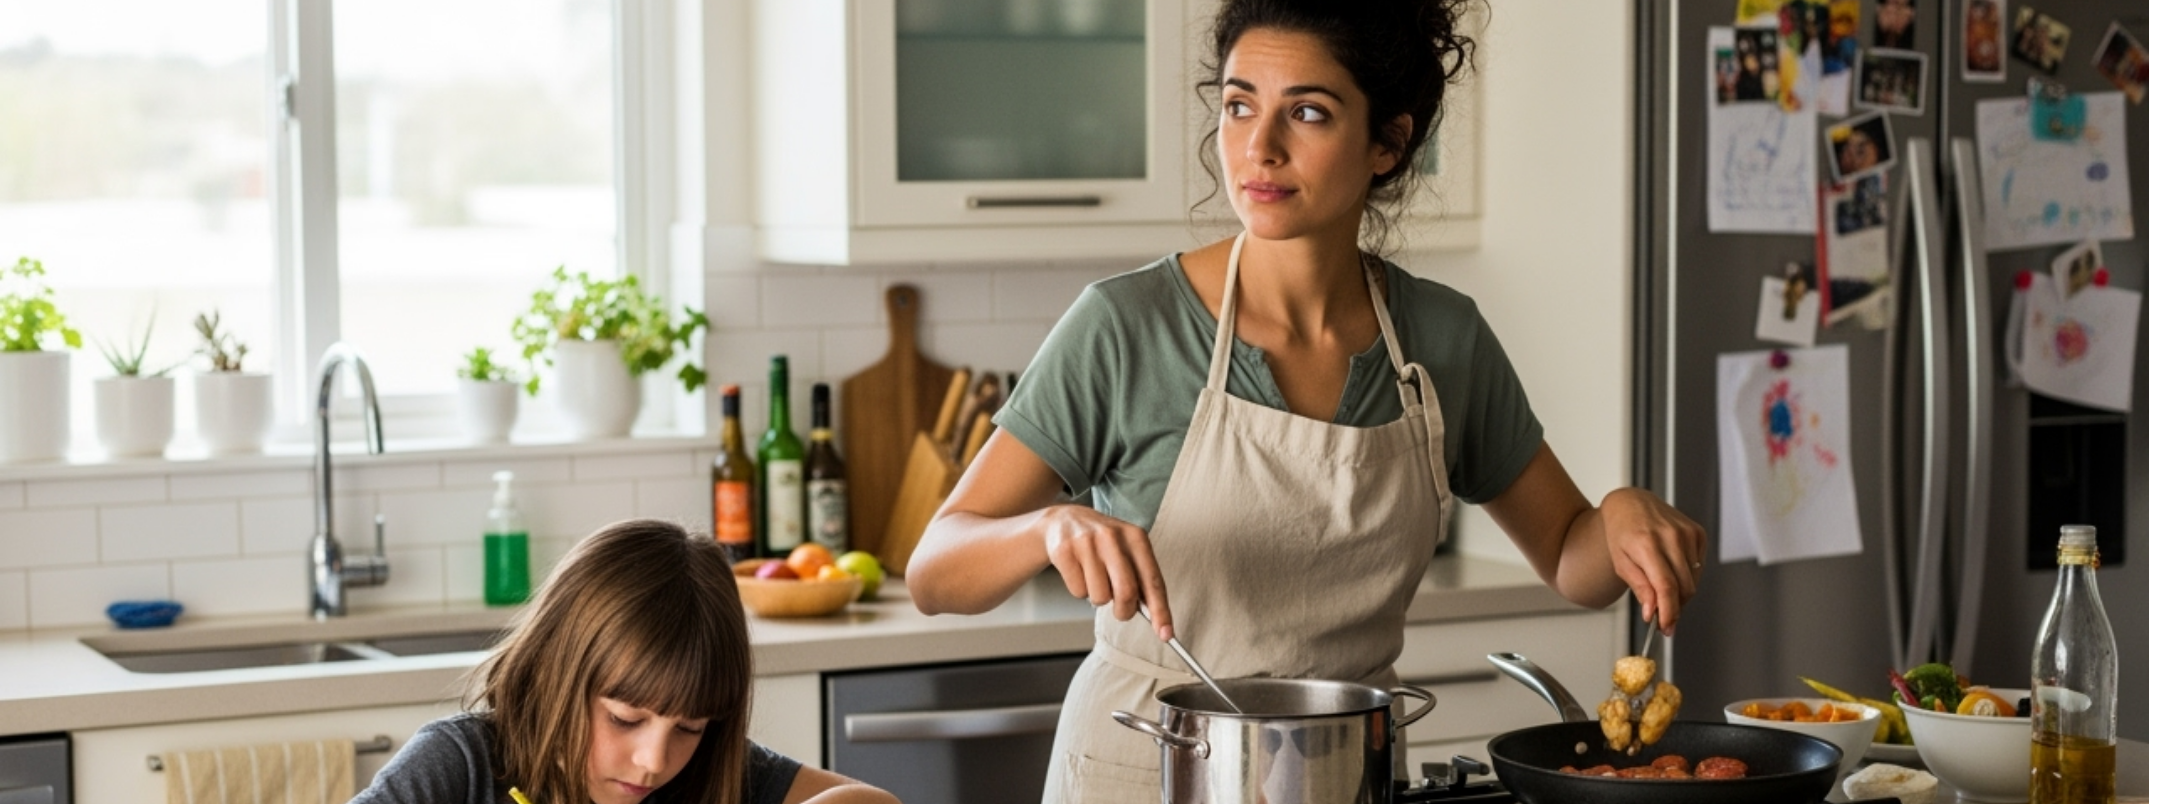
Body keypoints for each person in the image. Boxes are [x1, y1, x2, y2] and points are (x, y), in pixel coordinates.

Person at [903, 1, 1707, 801]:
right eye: (1238, 105)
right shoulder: (1127, 327)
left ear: (1388, 144)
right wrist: (1048, 526)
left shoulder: (1443, 339)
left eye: (1309, 113)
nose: (1259, 147)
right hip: (1147, 764)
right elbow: (935, 573)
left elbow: (1572, 556)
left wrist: (1621, 517)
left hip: (1345, 770)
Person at [352, 519, 899, 804]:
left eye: (689, 726)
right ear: (557, 670)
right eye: (624, 719)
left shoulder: (708, 775)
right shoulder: (460, 767)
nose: (653, 761)